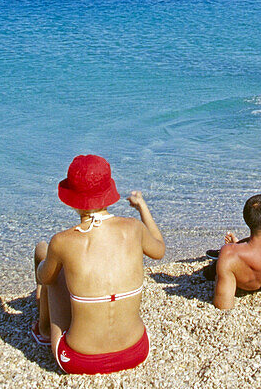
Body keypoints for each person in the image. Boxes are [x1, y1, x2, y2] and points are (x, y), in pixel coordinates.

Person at [32, 154, 165, 374]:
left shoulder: (63, 241)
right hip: (137, 350)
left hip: (77, 359)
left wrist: (42, 263)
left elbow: (44, 278)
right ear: (108, 192)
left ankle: (44, 330)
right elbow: (159, 250)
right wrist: (141, 206)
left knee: (44, 254)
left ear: (72, 199)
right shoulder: (133, 228)